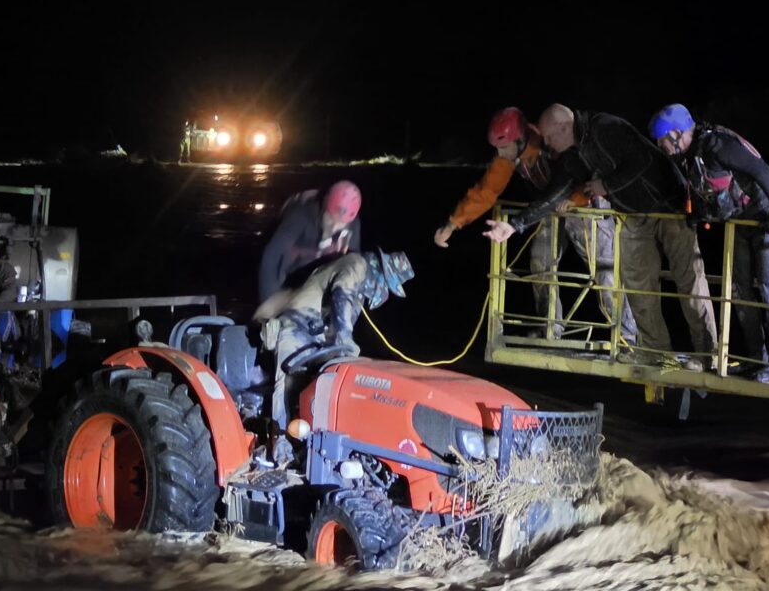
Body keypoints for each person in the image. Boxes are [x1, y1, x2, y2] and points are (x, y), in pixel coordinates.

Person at [484, 104, 718, 371]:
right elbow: (554, 194)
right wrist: (514, 225)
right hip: (633, 214)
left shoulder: (605, 126)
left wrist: (607, 185)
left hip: (669, 207)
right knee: (638, 287)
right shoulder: (573, 155)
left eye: (548, 137)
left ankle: (707, 354)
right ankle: (655, 352)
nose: (546, 143)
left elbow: (641, 160)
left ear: (564, 127)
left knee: (689, 281)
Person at [434, 107, 636, 343]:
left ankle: (626, 336)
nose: (499, 153)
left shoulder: (552, 142)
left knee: (605, 269)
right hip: (548, 209)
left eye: (503, 147)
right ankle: (550, 329)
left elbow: (580, 173)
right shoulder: (512, 154)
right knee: (541, 262)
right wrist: (453, 223)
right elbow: (487, 191)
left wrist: (572, 201)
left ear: (519, 140)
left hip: (586, 206)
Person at [649, 103, 769, 382]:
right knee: (740, 291)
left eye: (662, 140)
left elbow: (760, 169)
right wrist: (698, 213)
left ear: (677, 134)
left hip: (764, 217)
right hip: (740, 222)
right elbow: (710, 191)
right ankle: (756, 359)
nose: (661, 146)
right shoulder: (691, 156)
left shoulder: (717, 145)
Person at [253, 248, 414, 462]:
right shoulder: (356, 264)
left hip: (317, 336)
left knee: (325, 387)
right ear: (380, 272)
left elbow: (344, 314)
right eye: (386, 285)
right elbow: (342, 295)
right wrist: (345, 338)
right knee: (287, 384)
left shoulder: (359, 289)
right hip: (297, 326)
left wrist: (344, 345)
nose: (383, 292)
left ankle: (317, 444)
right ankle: (281, 443)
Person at [258, 180, 362, 304]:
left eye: (340, 224)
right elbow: (273, 255)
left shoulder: (353, 224)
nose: (334, 228)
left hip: (319, 274)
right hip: (292, 270)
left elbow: (354, 266)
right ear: (324, 207)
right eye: (330, 219)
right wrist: (269, 302)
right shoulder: (301, 214)